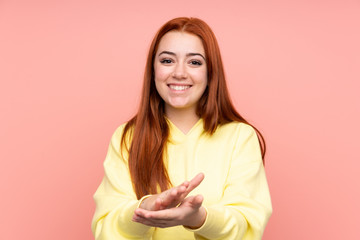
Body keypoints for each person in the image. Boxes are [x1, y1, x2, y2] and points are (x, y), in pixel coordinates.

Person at [91, 17, 272, 240]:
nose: (179, 73)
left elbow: (247, 224)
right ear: (152, 69)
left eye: (194, 62)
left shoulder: (240, 137)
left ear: (210, 73)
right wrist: (146, 206)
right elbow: (106, 227)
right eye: (167, 60)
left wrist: (198, 219)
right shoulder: (127, 137)